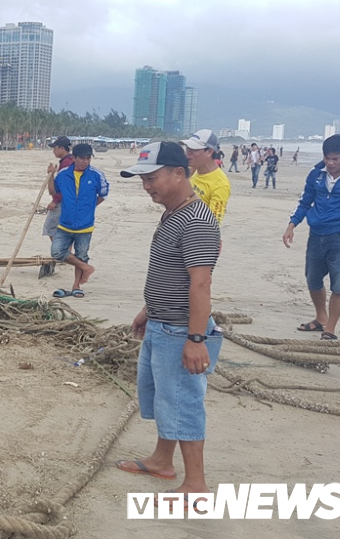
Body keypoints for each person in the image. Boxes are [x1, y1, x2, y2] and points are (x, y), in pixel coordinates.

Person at [115, 141, 223, 509]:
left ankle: (196, 484)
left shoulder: (195, 220)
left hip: (180, 331)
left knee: (183, 403)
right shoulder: (173, 214)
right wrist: (149, 308)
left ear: (179, 173)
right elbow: (172, 273)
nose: (147, 186)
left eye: (152, 177)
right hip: (162, 323)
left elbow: (200, 283)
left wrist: (196, 339)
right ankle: (162, 461)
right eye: (143, 179)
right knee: (165, 399)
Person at [283, 134, 340, 341]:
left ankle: (330, 329)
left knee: (339, 283)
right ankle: (321, 317)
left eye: (336, 159)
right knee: (312, 279)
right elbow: (304, 202)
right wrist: (292, 225)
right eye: (327, 158)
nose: (331, 163)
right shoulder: (315, 174)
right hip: (316, 235)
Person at [49, 143, 108, 298]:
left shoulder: (96, 175)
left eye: (88, 158)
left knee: (81, 253)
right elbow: (54, 191)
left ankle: (76, 286)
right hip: (65, 223)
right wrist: (49, 176)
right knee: (56, 251)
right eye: (82, 158)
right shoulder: (63, 175)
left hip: (85, 225)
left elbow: (103, 193)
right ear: (73, 158)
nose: (85, 161)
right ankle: (86, 268)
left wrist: (90, 206)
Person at [182, 129, 230, 225]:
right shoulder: (193, 171)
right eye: (188, 148)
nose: (188, 153)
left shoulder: (220, 184)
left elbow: (212, 224)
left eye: (194, 149)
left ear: (209, 152)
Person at [43, 136, 75, 241]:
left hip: (64, 201)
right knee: (63, 230)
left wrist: (55, 201)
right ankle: (63, 253)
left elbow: (67, 186)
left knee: (51, 227)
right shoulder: (67, 161)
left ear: (62, 148)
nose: (53, 151)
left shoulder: (67, 163)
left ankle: (62, 253)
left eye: (55, 148)